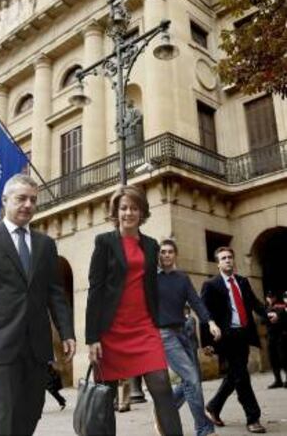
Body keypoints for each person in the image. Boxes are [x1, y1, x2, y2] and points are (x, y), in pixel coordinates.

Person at [0, 174, 75, 436]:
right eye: (21, 199)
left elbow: (55, 293)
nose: (28, 204)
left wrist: (67, 332)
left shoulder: (45, 244)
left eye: (33, 200)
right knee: (4, 409)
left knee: (32, 409)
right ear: (5, 200)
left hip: (36, 343)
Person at [86, 185, 183, 436]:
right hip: (111, 330)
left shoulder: (151, 245)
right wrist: (92, 337)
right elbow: (95, 290)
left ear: (142, 212)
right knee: (106, 399)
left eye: (134, 208)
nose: (129, 213)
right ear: (116, 212)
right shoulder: (104, 242)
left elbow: (152, 286)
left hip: (144, 327)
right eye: (124, 208)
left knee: (162, 385)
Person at [200, 246, 278, 434]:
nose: (227, 260)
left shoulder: (242, 281)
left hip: (243, 334)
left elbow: (255, 303)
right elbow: (204, 313)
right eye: (223, 258)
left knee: (235, 375)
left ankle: (213, 407)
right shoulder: (211, 285)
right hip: (226, 337)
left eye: (230, 257)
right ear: (218, 263)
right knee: (242, 376)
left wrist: (268, 314)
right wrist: (207, 343)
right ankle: (253, 418)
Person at [157, 239, 220, 436]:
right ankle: (203, 428)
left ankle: (165, 413)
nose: (166, 255)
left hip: (183, 332)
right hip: (164, 334)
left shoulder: (182, 278)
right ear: (158, 255)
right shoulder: (150, 279)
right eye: (163, 252)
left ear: (175, 255)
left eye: (170, 252)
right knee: (191, 377)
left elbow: (196, 301)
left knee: (191, 380)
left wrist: (210, 322)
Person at [264, 291, 287, 388]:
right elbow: (262, 320)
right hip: (271, 337)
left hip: (281, 336)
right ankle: (278, 380)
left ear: (275, 297)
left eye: (271, 297)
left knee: (283, 358)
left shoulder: (281, 306)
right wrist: (270, 315)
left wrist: (277, 316)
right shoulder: (267, 308)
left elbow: (283, 317)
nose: (269, 299)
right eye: (268, 297)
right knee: (273, 359)